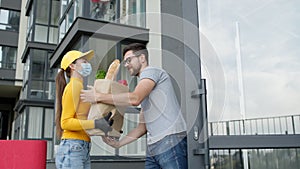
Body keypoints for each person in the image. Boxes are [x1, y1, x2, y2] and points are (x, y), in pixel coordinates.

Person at [80, 43, 188, 169]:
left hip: (170, 140)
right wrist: (119, 144)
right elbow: (142, 128)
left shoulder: (152, 71)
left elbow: (135, 98)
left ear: (142, 58)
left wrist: (98, 96)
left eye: (129, 60)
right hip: (153, 147)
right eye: (125, 62)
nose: (126, 65)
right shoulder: (145, 89)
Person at [55, 50, 114, 169]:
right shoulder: (74, 86)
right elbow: (65, 122)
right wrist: (96, 124)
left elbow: (82, 119)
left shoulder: (80, 87)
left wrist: (103, 126)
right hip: (73, 146)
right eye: (84, 61)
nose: (88, 64)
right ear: (72, 66)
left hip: (81, 146)